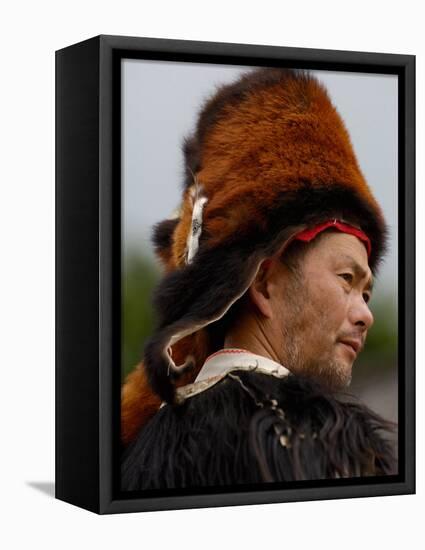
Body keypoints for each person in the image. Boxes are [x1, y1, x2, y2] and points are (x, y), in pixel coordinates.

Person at [121, 67, 397, 490]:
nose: (365, 315)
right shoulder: (325, 442)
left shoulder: (144, 451)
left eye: (367, 291)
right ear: (264, 282)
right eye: (346, 279)